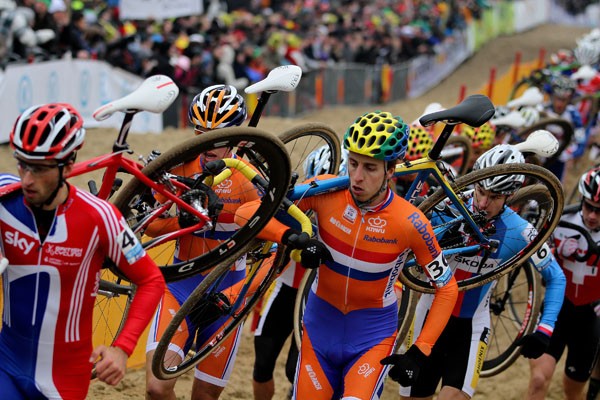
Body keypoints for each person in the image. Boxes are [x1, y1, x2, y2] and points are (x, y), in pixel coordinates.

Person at [239, 110, 459, 399]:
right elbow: (245, 213)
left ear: (390, 171)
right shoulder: (326, 190)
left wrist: (420, 352)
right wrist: (292, 238)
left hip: (371, 338)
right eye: (353, 163)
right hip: (319, 329)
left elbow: (446, 288)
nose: (356, 177)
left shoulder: (411, 222)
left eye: (370, 168)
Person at [0, 103, 165, 399]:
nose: (26, 178)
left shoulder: (99, 217)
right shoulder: (4, 200)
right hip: (7, 364)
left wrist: (122, 348)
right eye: (22, 164)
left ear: (66, 166)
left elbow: (151, 280)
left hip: (64, 379)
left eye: (38, 169)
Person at [398, 144, 566, 400]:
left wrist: (545, 329)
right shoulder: (448, 206)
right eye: (480, 191)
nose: (484, 203)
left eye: (495, 197)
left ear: (510, 196)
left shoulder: (520, 231)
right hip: (428, 319)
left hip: (472, 327)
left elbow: (556, 277)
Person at [144, 84, 254, 400]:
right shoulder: (180, 165)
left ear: (235, 135)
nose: (205, 142)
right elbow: (151, 227)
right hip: (180, 285)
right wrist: (185, 220)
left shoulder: (252, 177)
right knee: (156, 387)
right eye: (199, 131)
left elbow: (272, 247)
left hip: (227, 295)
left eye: (215, 134)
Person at [527, 166, 600, 400]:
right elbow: (536, 259)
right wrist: (555, 252)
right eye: (589, 207)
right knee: (538, 380)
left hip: (590, 317)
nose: (592, 216)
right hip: (556, 309)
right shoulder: (562, 219)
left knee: (573, 391)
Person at [542, 75, 587, 182]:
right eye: (557, 98)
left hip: (559, 157)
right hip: (540, 155)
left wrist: (569, 154)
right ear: (552, 96)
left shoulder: (573, 114)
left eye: (564, 100)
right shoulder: (543, 109)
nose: (560, 104)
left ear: (570, 99)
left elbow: (580, 140)